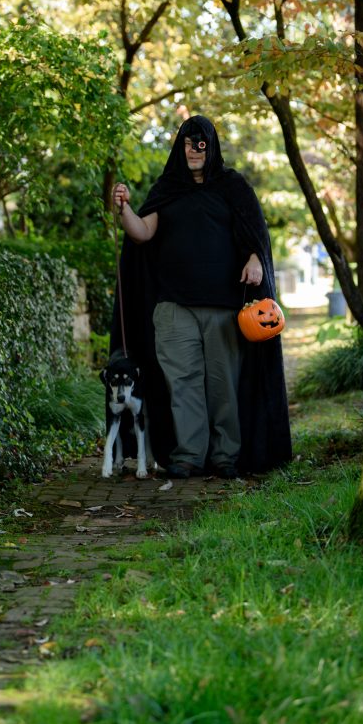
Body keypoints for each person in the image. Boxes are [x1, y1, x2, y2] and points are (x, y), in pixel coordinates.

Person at [111, 115, 291, 478]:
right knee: (182, 383)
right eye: (188, 143)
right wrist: (124, 210)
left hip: (224, 307)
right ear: (180, 148)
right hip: (174, 307)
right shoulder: (167, 189)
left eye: (201, 143)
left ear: (211, 147)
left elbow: (257, 235)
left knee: (223, 384)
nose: (194, 150)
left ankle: (226, 456)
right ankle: (189, 455)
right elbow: (142, 233)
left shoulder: (233, 186)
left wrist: (256, 258)